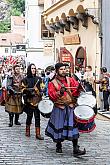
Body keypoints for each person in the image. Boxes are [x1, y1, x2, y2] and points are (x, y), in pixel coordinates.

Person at [45, 62, 86, 156]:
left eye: (65, 69)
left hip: (70, 107)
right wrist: (60, 92)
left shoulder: (70, 80)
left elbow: (75, 92)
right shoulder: (52, 83)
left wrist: (79, 88)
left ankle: (76, 148)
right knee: (59, 127)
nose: (64, 71)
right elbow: (52, 96)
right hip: (60, 108)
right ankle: (58, 145)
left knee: (73, 127)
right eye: (61, 69)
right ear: (57, 71)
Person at [21, 63, 44, 140]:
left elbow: (42, 87)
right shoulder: (25, 79)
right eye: (32, 68)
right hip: (29, 101)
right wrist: (30, 90)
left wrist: (41, 91)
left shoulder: (39, 79)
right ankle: (27, 131)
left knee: (37, 117)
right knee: (29, 116)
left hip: (37, 101)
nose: (33, 70)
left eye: (34, 68)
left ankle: (38, 134)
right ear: (29, 69)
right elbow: (22, 89)